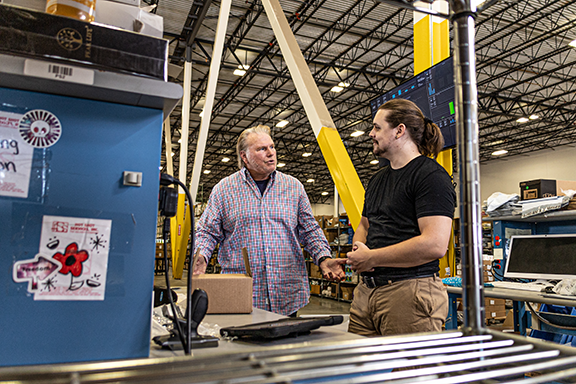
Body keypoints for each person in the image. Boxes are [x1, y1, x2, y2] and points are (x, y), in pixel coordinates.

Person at [193, 124, 345, 316]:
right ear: (244, 156)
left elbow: (310, 230)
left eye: (272, 147)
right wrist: (201, 256)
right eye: (262, 149)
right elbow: (207, 231)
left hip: (286, 293)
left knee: (285, 345)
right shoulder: (223, 190)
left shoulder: (293, 187)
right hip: (242, 292)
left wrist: (323, 257)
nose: (271, 153)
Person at [346, 99, 456, 336]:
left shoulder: (430, 175)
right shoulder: (377, 180)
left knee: (409, 373)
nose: (370, 133)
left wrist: (371, 258)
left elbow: (435, 244)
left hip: (409, 294)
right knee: (362, 372)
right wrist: (359, 254)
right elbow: (365, 224)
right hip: (366, 294)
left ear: (399, 130)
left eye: (377, 127)